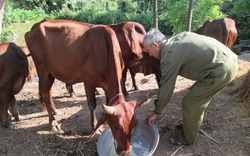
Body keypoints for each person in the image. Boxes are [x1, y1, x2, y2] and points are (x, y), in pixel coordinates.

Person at [143, 28, 238, 146]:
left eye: (148, 51)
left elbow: (167, 87)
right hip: (227, 60)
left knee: (190, 102)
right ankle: (191, 125)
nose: (150, 55)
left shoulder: (169, 55)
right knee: (195, 95)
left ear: (155, 44)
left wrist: (156, 112)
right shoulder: (176, 40)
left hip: (222, 70)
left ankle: (187, 139)